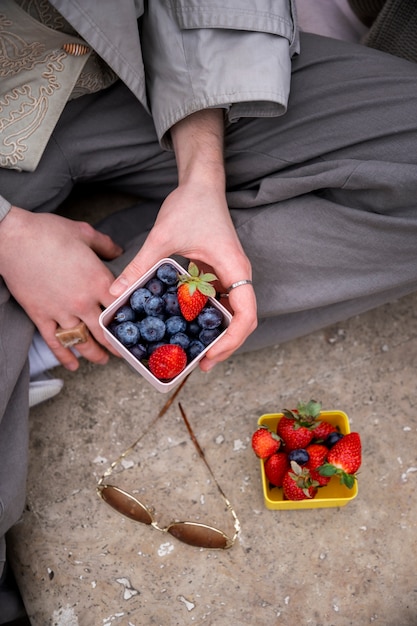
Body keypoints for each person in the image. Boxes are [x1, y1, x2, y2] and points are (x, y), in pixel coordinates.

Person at [1, 0, 417, 621]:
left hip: (127, 76)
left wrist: (202, 177)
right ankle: (61, 321)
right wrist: (9, 234)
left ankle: (73, 321)